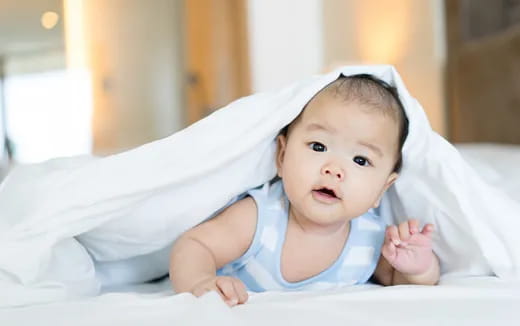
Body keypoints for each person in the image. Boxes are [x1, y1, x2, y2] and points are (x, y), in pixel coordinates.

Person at [169, 74, 440, 306]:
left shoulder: (369, 239)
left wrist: (418, 268)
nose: (334, 169)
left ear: (383, 188)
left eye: (360, 160)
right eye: (318, 146)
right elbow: (195, 245)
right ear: (282, 156)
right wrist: (201, 281)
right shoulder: (261, 218)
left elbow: (396, 280)